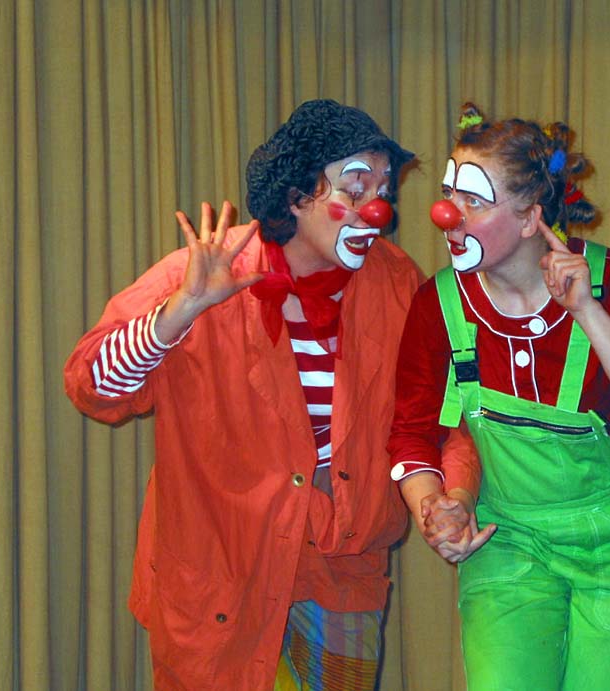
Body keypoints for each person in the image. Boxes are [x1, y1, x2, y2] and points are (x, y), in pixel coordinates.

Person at [65, 99, 473, 691]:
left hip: (340, 575)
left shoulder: (396, 281)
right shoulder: (207, 271)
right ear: (296, 195)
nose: (378, 210)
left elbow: (437, 415)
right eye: (356, 189)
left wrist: (448, 496)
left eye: (383, 191)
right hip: (221, 575)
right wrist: (179, 312)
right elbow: (92, 386)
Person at [387, 103, 610, 691]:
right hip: (511, 538)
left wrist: (588, 312)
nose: (446, 213)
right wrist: (435, 509)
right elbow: (412, 432)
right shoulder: (439, 304)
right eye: (450, 194)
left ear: (531, 217)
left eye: (474, 200)